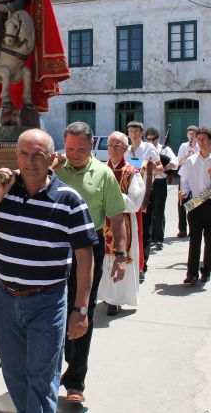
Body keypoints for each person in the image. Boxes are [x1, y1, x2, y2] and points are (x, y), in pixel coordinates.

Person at [0, 128, 100, 413]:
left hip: (47, 302)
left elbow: (85, 258)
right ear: (15, 156)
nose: (29, 161)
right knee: (14, 375)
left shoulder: (69, 199)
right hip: (4, 298)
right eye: (23, 154)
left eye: (38, 155)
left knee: (41, 377)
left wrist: (81, 310)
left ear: (51, 158)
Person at [52, 122, 127, 404]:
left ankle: (75, 381)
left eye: (81, 149)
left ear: (92, 144)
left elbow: (117, 217)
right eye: (69, 148)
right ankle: (52, 370)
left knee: (82, 309)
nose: (74, 154)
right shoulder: (55, 169)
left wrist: (119, 255)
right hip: (55, 248)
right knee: (53, 309)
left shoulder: (104, 175)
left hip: (89, 248)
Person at [98, 131, 144, 316]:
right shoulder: (101, 170)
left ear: (125, 149)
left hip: (124, 223)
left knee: (120, 257)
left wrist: (112, 198)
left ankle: (117, 300)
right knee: (103, 259)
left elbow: (135, 203)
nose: (113, 149)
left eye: (117, 145)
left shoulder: (131, 172)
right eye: (110, 145)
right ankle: (106, 296)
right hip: (103, 222)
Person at [178, 126, 211, 284]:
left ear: (210, 140)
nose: (199, 142)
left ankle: (206, 270)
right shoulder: (191, 160)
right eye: (197, 139)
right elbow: (185, 181)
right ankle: (191, 273)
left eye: (202, 139)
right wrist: (184, 192)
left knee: (210, 238)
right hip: (195, 202)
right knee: (194, 239)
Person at [125, 121, 160, 281]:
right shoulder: (125, 149)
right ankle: (129, 263)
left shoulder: (148, 148)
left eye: (136, 131)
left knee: (144, 230)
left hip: (145, 194)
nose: (133, 134)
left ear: (141, 132)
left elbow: (160, 167)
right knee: (129, 230)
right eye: (131, 131)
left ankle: (142, 266)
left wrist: (147, 167)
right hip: (128, 194)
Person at [144, 127, 178, 252]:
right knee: (147, 211)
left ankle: (158, 239)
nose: (151, 141)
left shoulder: (164, 149)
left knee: (159, 211)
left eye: (153, 139)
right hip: (146, 182)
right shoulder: (144, 150)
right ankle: (148, 237)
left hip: (159, 183)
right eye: (148, 139)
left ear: (157, 138)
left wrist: (162, 168)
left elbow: (175, 163)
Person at [176, 125, 199, 238]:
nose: (191, 136)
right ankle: (182, 229)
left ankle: (193, 227)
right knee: (181, 203)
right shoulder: (183, 146)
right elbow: (178, 162)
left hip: (195, 177)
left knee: (194, 202)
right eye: (189, 134)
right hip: (184, 176)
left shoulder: (199, 146)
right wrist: (186, 156)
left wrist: (195, 153)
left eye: (193, 134)